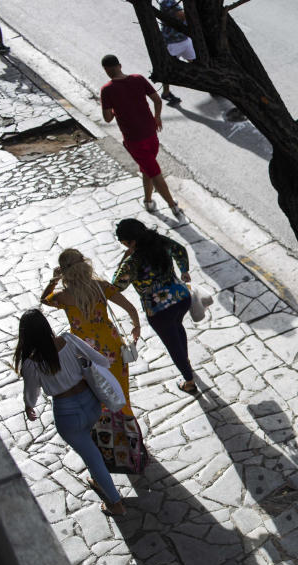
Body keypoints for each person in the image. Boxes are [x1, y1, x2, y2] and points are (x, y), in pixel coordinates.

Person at [16, 309, 126, 516]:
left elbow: (31, 391)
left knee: (91, 455)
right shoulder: (68, 339)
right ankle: (98, 480)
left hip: (67, 414)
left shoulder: (31, 363)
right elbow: (100, 360)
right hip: (91, 403)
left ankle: (115, 503)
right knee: (90, 450)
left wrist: (29, 405)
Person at [41, 249, 141, 415]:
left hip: (83, 352)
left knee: (98, 394)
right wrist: (136, 326)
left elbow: (44, 299)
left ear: (64, 272)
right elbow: (130, 308)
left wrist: (54, 280)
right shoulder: (101, 287)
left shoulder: (63, 297)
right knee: (120, 392)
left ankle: (106, 432)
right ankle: (128, 428)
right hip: (112, 346)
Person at [113, 218, 197, 393]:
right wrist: (184, 271)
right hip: (181, 298)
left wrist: (124, 257)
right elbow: (180, 251)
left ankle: (189, 381)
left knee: (172, 344)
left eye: (124, 244)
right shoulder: (160, 242)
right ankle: (185, 361)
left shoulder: (133, 262)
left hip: (159, 310)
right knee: (178, 327)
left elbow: (117, 285)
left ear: (131, 242)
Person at [100, 54, 184, 219]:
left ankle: (172, 206)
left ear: (106, 70)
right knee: (149, 168)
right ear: (120, 65)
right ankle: (148, 201)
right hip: (152, 134)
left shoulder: (107, 90)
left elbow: (108, 118)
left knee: (153, 172)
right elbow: (157, 100)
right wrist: (157, 117)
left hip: (134, 140)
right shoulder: (138, 79)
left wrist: (117, 108)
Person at [157, 0, 196, 105]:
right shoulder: (167, 3)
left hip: (185, 39)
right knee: (168, 68)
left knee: (196, 62)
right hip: (172, 43)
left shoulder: (172, 1)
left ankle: (210, 85)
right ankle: (166, 93)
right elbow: (183, 16)